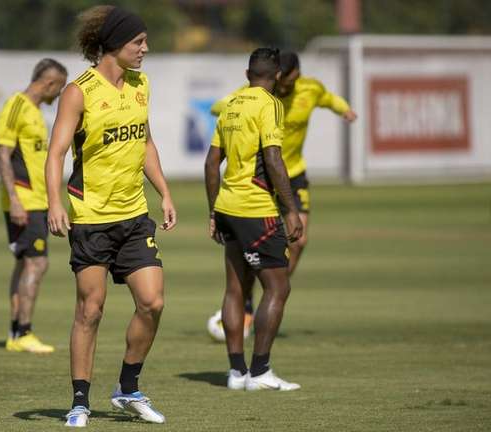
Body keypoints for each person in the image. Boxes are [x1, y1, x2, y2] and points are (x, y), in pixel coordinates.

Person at [44, 6, 176, 427]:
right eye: (138, 42)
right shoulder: (78, 91)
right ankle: (80, 401)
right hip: (91, 218)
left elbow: (147, 143)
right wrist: (54, 202)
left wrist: (165, 193)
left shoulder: (141, 85)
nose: (145, 49)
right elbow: (56, 153)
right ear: (116, 44)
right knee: (91, 309)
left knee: (152, 302)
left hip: (134, 214)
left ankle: (127, 387)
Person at [207, 51, 357, 338]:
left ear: (294, 75)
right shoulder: (258, 98)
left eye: (290, 81)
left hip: (293, 174)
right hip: (260, 179)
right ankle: (257, 302)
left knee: (299, 240)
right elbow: (219, 108)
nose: (286, 86)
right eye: (282, 81)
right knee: (250, 252)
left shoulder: (310, 89)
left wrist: (344, 109)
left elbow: (329, 99)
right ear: (276, 76)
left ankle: (270, 297)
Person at [205, 47, 303, 391]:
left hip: (229, 208)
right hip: (255, 208)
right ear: (276, 77)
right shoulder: (269, 103)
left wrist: (214, 210)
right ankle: (260, 372)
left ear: (247, 74)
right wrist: (291, 209)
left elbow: (211, 162)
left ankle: (236, 373)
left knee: (235, 288)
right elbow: (274, 159)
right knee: (278, 286)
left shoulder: (230, 103)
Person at [0, 58, 67, 353]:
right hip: (25, 201)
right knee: (38, 262)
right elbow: (3, 154)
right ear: (49, 83)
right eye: (59, 88)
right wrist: (14, 201)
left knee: (26, 263)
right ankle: (24, 332)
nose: (59, 95)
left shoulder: (36, 113)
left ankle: (16, 334)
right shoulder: (17, 105)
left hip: (38, 200)